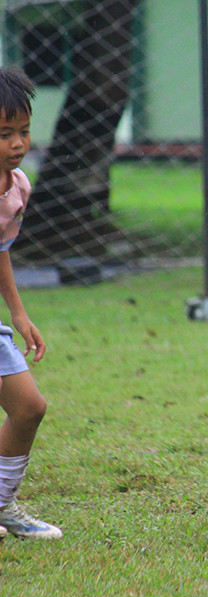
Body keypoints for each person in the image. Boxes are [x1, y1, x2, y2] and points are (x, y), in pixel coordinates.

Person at [0, 67, 61, 538]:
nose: (17, 143)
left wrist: (19, 315)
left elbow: (0, 250)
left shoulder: (17, 188)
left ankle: (2, 504)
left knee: (29, 408)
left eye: (23, 131)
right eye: (4, 134)